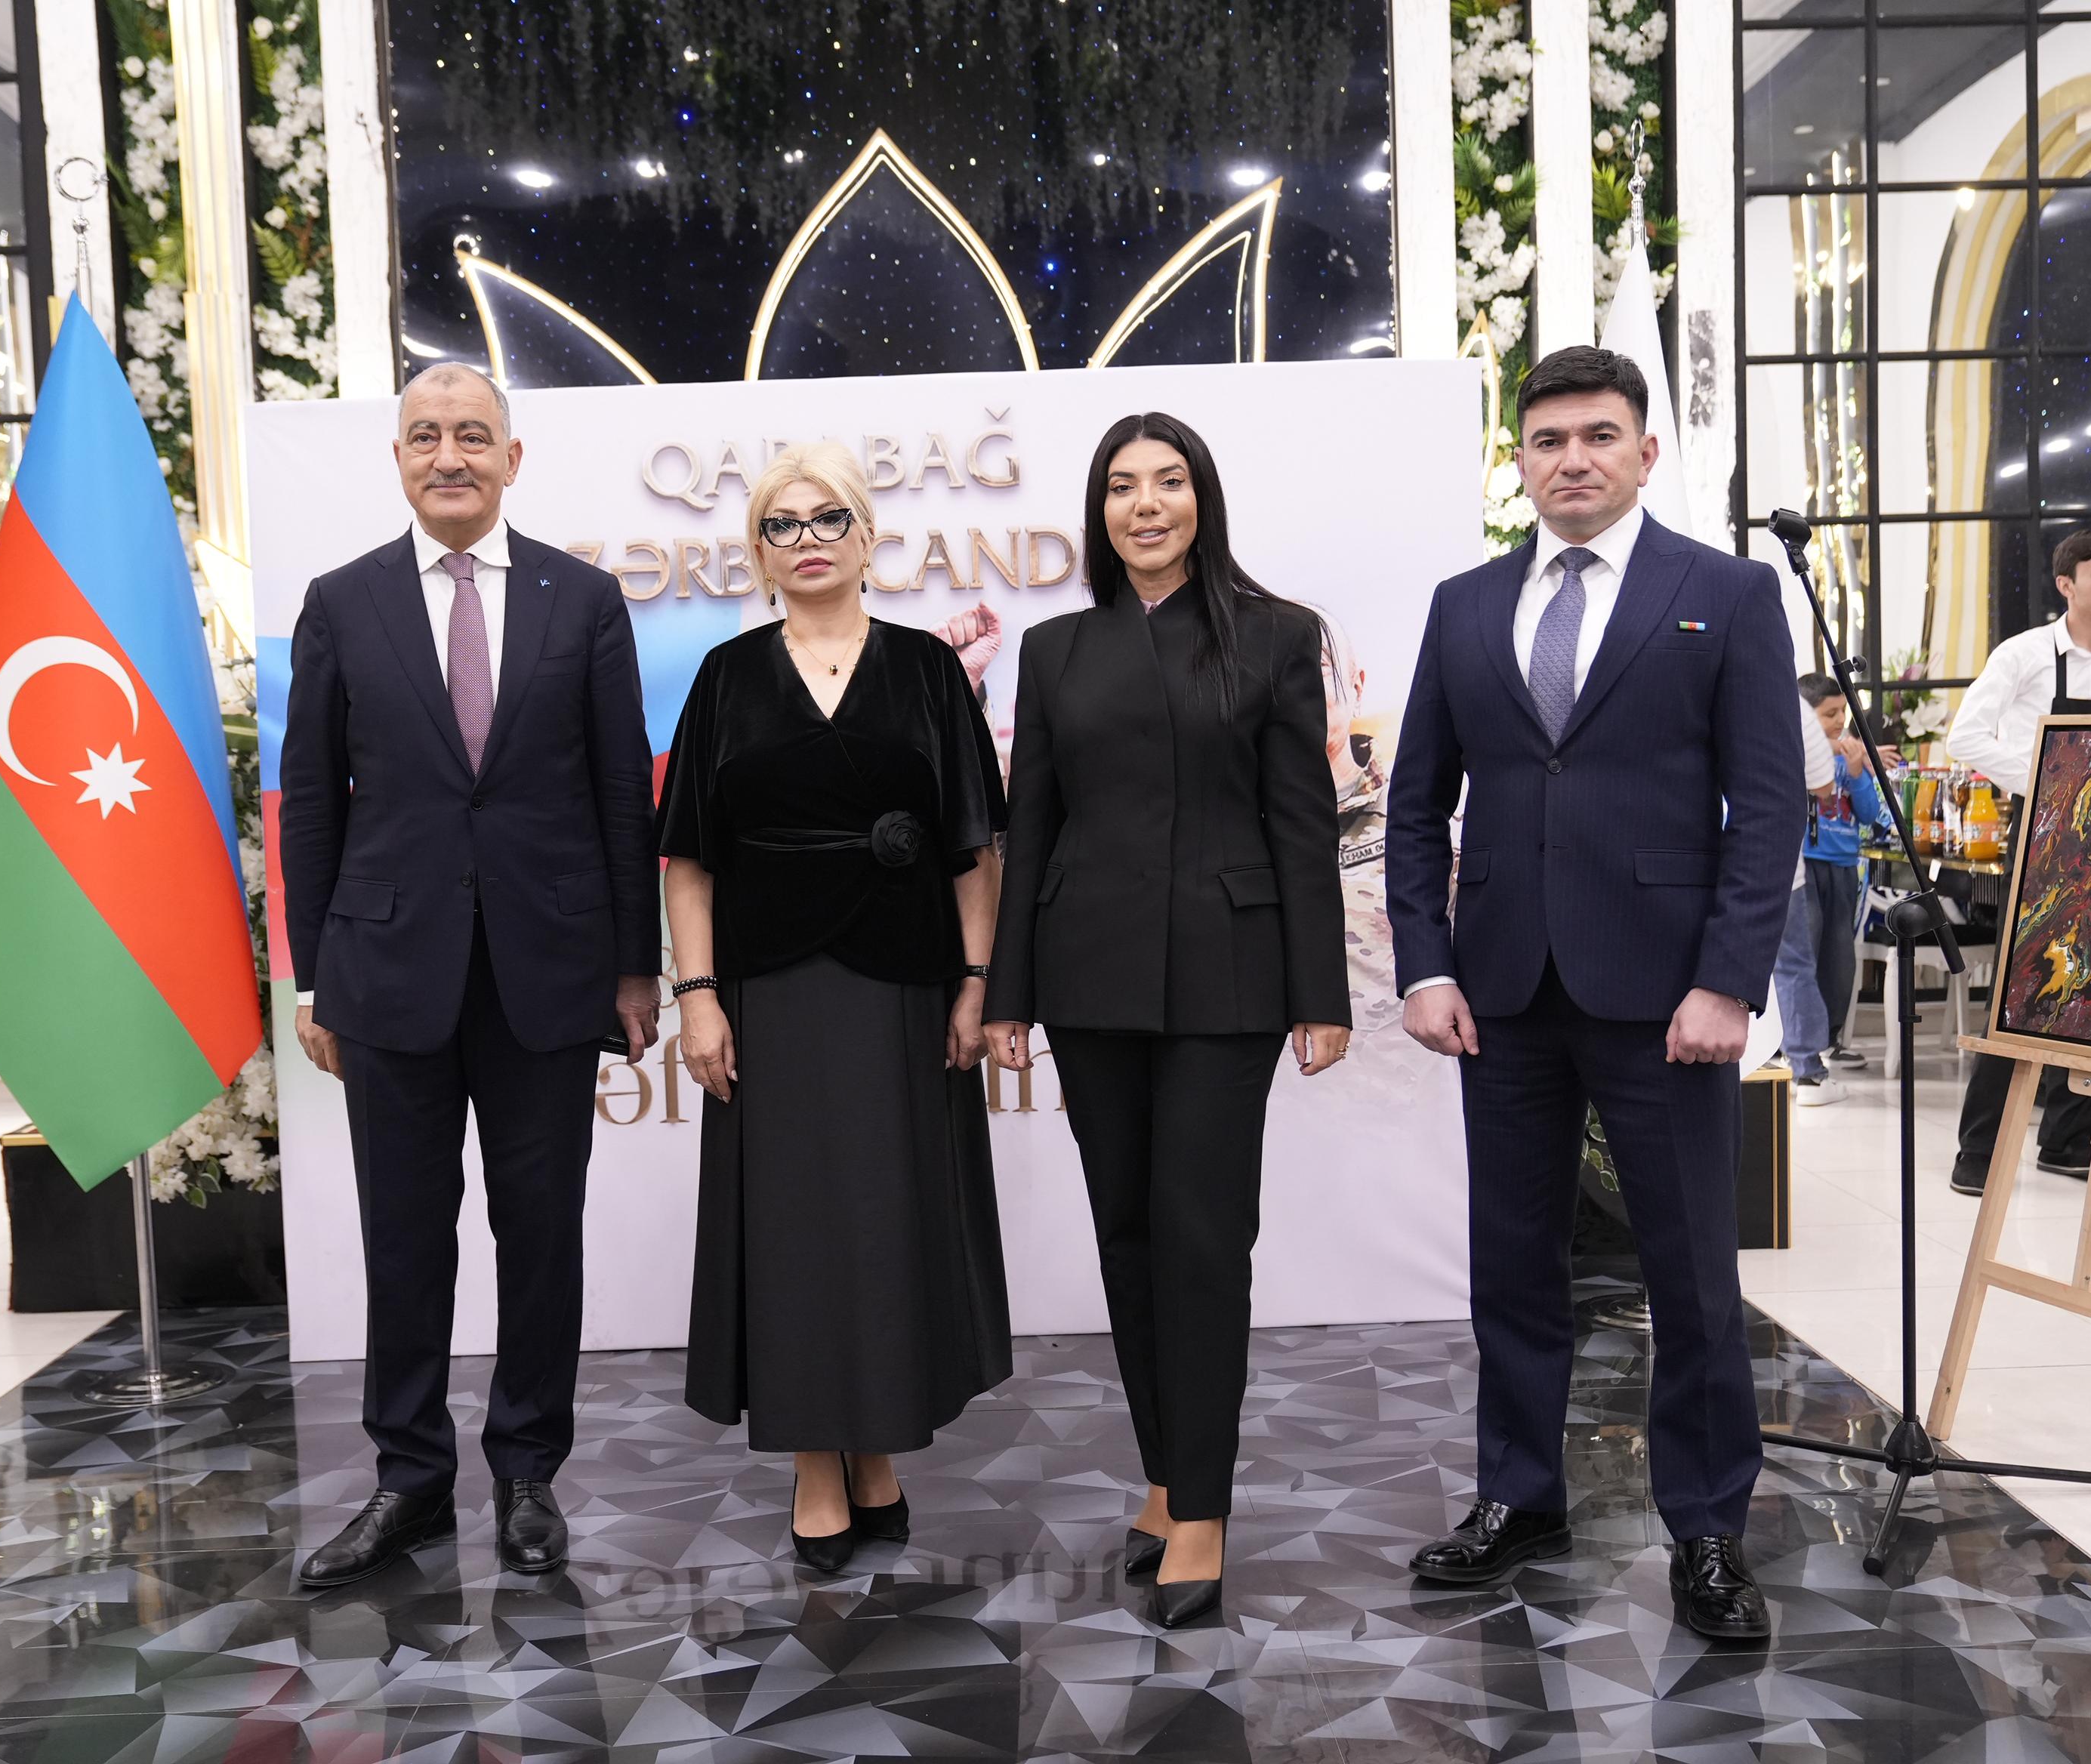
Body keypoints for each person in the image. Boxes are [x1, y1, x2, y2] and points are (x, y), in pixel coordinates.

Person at [1384, 345, 1805, 1644]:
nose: (1572, 458)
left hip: (1666, 998)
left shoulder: (1725, 593)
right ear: (1517, 460)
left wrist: (1727, 981)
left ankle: (1707, 1530)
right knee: (1511, 1263)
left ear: (1644, 451)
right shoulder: (1464, 604)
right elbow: (1414, 805)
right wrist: (1425, 961)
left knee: (1690, 1275)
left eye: (1598, 435)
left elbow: (1768, 805)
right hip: (1501, 992)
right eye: (1548, 439)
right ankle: (1518, 1496)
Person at [278, 362, 662, 1588]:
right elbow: (309, 803)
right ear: (398, 457)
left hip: (548, 969)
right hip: (387, 969)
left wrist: (636, 966)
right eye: (426, 436)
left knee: (539, 1231)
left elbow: (620, 790)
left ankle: (527, 1471)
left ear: (511, 458)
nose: (449, 455)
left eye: (473, 436)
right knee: (403, 1234)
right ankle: (408, 1479)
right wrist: (313, 977)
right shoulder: (340, 602)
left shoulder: (582, 599)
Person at [982, 412, 1349, 1630]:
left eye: (1169, 482)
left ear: (1202, 501)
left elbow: (1302, 822)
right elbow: (1031, 828)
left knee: (1200, 1237)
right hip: (1088, 977)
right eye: (1122, 487)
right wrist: (1009, 995)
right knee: (1127, 1234)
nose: (1145, 504)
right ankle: (1161, 1473)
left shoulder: (1275, 635)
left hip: (1227, 979)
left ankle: (1202, 1506)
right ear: (1098, 512)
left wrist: (1320, 993)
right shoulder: (1056, 651)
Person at [658, 443, 1013, 1571]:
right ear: (758, 552)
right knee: (796, 1225)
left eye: (827, 519)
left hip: (905, 984)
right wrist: (698, 998)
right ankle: (818, 1459)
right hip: (767, 993)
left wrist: (975, 982)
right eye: (781, 524)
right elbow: (688, 860)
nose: (806, 539)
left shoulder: (927, 670)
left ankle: (880, 1448)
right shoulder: (725, 676)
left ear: (866, 538)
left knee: (887, 1215)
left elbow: (975, 851)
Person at [1943, 528, 2091, 1197]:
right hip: (2042, 830)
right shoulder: (2025, 654)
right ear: (2066, 584)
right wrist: (2049, 779)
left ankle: (2066, 1141)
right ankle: (1978, 1150)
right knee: (2019, 989)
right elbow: (1966, 735)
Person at [1796, 672, 1893, 1072]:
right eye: (1829, 713)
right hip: (1804, 866)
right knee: (1805, 950)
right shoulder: (1797, 752)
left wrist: (1856, 774)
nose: (1839, 721)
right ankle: (1796, 1043)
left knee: (1839, 956)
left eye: (1842, 713)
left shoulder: (1854, 758)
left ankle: (1830, 1039)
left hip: (1843, 868)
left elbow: (1869, 814)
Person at [1771, 688, 1843, 1102]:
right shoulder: (1787, 698)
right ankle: (1807, 1072)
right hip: (1772, 861)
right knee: (1791, 964)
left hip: (1689, 859)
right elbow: (1823, 784)